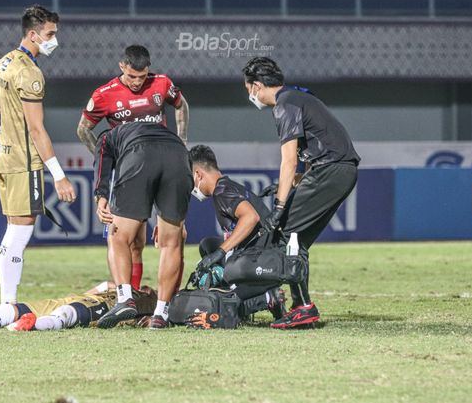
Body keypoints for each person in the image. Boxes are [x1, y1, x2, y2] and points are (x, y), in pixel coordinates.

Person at [242, 57, 360, 329]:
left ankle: (303, 307)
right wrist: (297, 182)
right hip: (338, 170)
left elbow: (288, 160)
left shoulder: (285, 105)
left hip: (331, 171)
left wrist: (280, 206)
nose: (250, 95)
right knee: (298, 239)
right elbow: (320, 147)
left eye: (248, 88)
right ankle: (300, 306)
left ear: (257, 86)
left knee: (286, 232)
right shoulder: (297, 96)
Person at [0, 5, 76, 305]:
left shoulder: (4, 62)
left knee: (13, 228)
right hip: (23, 163)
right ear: (33, 34)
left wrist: (0, 150)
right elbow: (37, 130)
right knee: (20, 231)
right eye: (50, 34)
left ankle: (6, 302)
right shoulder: (29, 73)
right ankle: (7, 304)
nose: (54, 40)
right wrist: (59, 177)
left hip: (3, 158)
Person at [77, 45, 189, 291]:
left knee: (175, 234)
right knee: (132, 239)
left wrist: (182, 140)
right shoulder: (103, 94)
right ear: (122, 67)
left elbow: (181, 105)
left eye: (142, 76)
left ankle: (166, 300)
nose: (137, 82)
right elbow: (84, 129)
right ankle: (133, 294)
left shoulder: (161, 83)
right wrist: (106, 159)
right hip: (131, 170)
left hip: (162, 163)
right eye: (131, 76)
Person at [93, 122, 192, 329]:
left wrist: (101, 195)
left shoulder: (107, 138)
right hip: (180, 156)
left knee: (117, 235)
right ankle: (161, 313)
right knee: (171, 243)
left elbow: (102, 162)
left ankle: (124, 299)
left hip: (139, 154)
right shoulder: (161, 131)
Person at [188, 145, 286, 320]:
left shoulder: (222, 191)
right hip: (260, 254)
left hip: (261, 260)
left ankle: (268, 296)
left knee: (224, 309)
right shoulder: (227, 186)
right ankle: (248, 291)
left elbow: (250, 217)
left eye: (191, 179)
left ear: (198, 174)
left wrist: (220, 252)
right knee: (207, 245)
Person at [0, 282, 157, 332]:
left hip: (101, 305)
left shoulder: (146, 306)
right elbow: (100, 286)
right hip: (76, 297)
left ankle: (31, 325)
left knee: (67, 314)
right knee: (6, 309)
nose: (146, 288)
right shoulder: (121, 286)